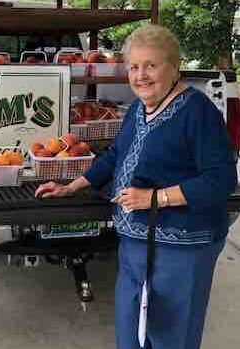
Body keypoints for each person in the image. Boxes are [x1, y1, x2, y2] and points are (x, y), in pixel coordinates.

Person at [35, 24, 237, 349]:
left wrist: (156, 198)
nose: (140, 75)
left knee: (173, 336)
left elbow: (222, 180)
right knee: (132, 335)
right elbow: (115, 154)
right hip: (134, 244)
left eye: (151, 65)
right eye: (133, 66)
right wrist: (71, 186)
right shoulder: (137, 110)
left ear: (174, 68)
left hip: (181, 249)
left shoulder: (197, 111)